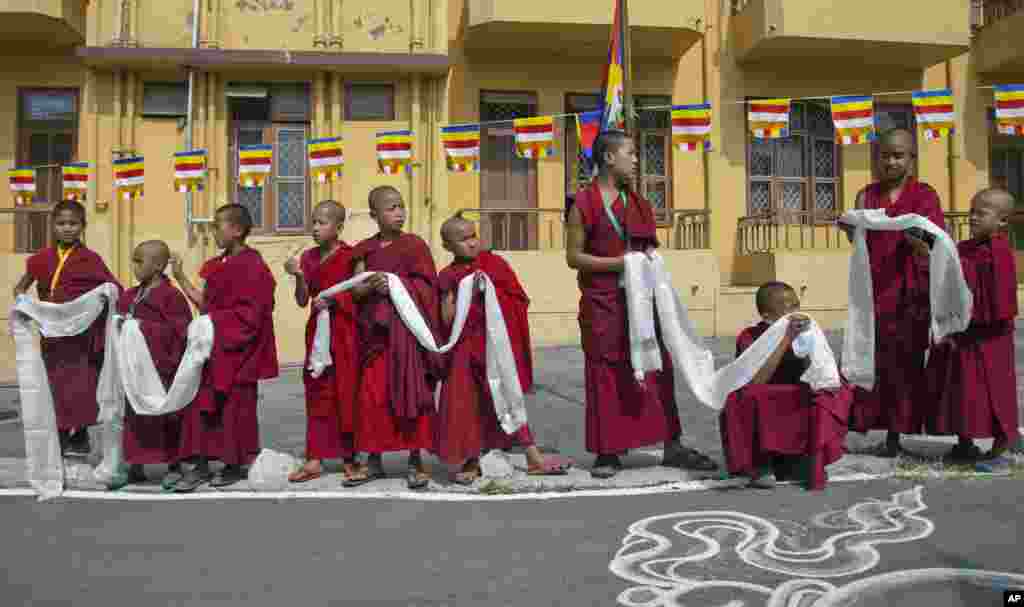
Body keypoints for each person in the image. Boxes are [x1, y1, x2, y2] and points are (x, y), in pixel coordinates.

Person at [565, 130, 717, 478]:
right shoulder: (584, 203)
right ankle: (608, 451)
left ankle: (672, 444)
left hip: (643, 302)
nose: (636, 160)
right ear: (608, 157)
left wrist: (645, 265)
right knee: (605, 372)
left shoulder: (637, 203)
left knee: (656, 368)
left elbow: (647, 251)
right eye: (630, 153)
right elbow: (574, 258)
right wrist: (622, 264)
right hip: (603, 302)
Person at [434, 213, 573, 484]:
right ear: (448, 246)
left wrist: (490, 292)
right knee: (468, 405)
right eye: (462, 240)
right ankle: (471, 460)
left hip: (495, 347)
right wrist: (465, 292)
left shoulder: (494, 264)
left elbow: (518, 299)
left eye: (473, 235)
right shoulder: (448, 275)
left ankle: (533, 457)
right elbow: (446, 318)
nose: (472, 243)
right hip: (465, 349)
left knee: (507, 396)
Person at [838, 128, 944, 456]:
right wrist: (848, 229)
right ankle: (858, 429)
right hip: (873, 291)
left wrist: (919, 240)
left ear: (911, 160)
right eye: (885, 155)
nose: (891, 161)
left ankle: (897, 436)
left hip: (911, 294)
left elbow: (935, 241)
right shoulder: (866, 196)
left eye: (898, 155)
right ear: (876, 159)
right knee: (869, 359)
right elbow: (858, 243)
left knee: (906, 365)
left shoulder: (925, 195)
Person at [170, 204, 279, 491]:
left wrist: (215, 323)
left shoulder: (254, 266)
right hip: (213, 348)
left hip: (240, 351)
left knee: (235, 409)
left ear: (238, 230)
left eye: (219, 225)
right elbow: (204, 305)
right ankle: (200, 464)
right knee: (201, 406)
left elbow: (254, 315)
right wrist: (180, 277)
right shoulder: (216, 266)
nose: (214, 231)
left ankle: (234, 464)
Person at [343, 186, 440, 490]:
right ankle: (373, 461)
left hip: (406, 335)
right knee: (372, 398)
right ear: (374, 215)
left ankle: (416, 460)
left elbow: (427, 287)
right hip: (377, 338)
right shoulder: (364, 249)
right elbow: (355, 289)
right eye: (391, 208)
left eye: (401, 207)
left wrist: (397, 285)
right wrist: (372, 284)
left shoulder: (415, 246)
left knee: (411, 393)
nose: (399, 213)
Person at [13, 199, 121, 457]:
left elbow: (113, 288)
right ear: (53, 226)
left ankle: (80, 433)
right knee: (55, 386)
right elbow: (21, 287)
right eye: (61, 223)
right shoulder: (40, 259)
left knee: (81, 386)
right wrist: (26, 306)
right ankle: (61, 434)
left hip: (80, 337)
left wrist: (106, 299)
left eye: (73, 224)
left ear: (83, 226)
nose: (67, 228)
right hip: (51, 335)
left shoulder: (91, 259)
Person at [720, 282, 852, 489]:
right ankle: (760, 465)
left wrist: (806, 341)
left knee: (831, 392)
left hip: (797, 396)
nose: (796, 313)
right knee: (740, 398)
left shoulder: (807, 332)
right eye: (788, 308)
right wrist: (785, 338)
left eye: (797, 305)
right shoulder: (750, 336)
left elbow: (817, 374)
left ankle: (812, 459)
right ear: (767, 316)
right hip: (766, 397)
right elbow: (756, 380)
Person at [926, 188, 1019, 465]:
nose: (973, 217)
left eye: (982, 212)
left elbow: (1000, 299)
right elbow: (948, 273)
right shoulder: (964, 247)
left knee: (994, 391)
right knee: (959, 389)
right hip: (962, 333)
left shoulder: (1000, 252)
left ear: (1002, 221)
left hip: (991, 337)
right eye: (972, 211)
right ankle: (964, 443)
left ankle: (1002, 443)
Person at [283, 200, 363, 484]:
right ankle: (315, 458)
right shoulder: (308, 258)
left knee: (345, 392)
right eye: (313, 222)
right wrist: (299, 276)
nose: (315, 228)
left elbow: (359, 294)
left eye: (322, 223)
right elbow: (302, 299)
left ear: (339, 227)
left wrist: (335, 299)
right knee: (317, 392)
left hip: (344, 330)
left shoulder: (352, 256)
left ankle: (350, 458)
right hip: (318, 330)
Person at [113, 241, 193, 489]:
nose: (134, 266)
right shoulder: (129, 295)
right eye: (133, 260)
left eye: (139, 261)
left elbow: (180, 332)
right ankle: (135, 465)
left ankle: (174, 465)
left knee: (168, 416)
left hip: (162, 369)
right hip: (135, 370)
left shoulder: (172, 297)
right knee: (134, 417)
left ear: (158, 265)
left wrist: (139, 327)